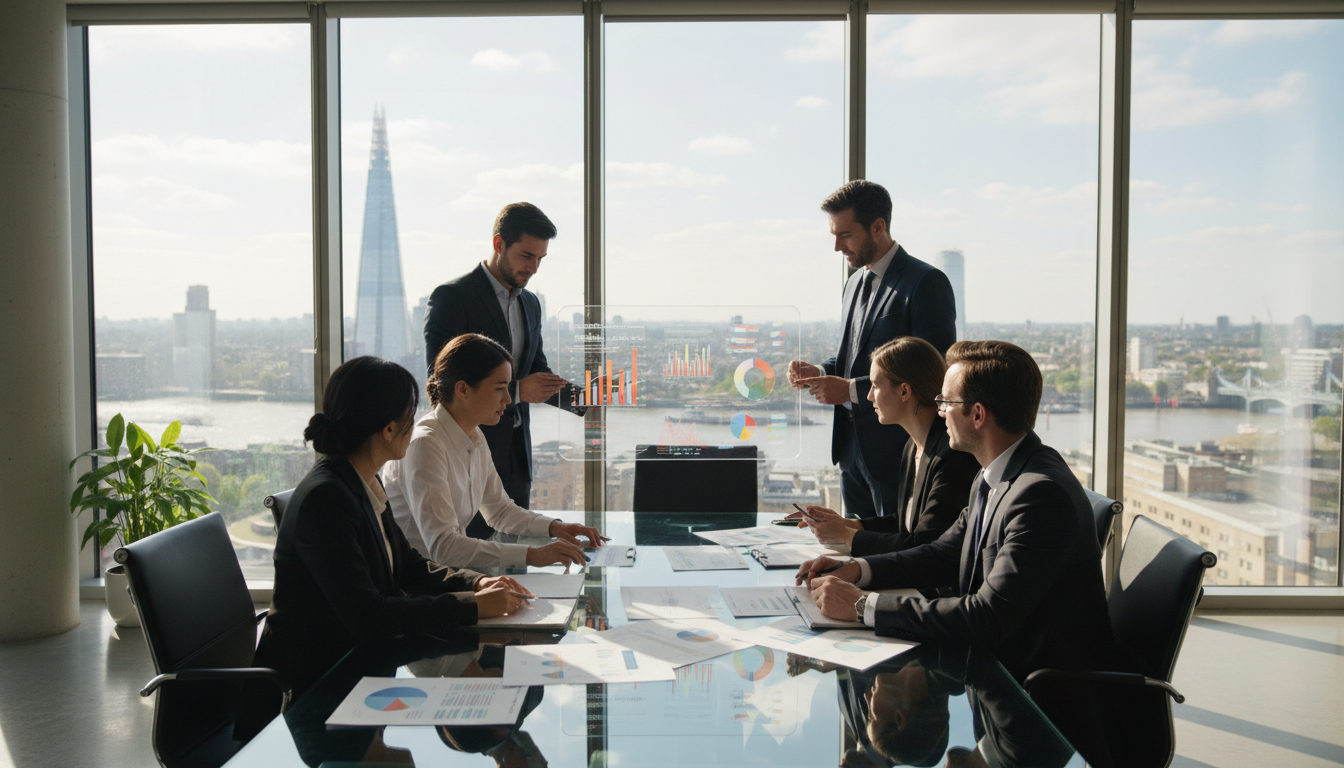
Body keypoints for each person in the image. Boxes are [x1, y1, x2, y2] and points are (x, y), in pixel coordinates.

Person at [795, 340, 1116, 764]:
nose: (939, 409)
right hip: (993, 691)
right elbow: (941, 553)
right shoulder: (999, 474)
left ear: (978, 415)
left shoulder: (1039, 495)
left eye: (946, 401)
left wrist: (863, 608)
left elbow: (986, 617)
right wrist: (857, 569)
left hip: (1038, 710)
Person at [236, 356, 532, 741]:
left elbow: (408, 565)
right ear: (389, 429)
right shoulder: (327, 499)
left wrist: (476, 584)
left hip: (361, 678)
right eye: (412, 415)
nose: (417, 423)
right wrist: (472, 606)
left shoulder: (361, 482)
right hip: (310, 696)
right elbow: (368, 616)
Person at [788, 180, 957, 519]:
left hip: (897, 450)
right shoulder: (853, 282)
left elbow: (935, 371)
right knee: (854, 548)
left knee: (893, 550)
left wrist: (849, 390)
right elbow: (853, 356)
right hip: (850, 450)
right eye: (834, 235)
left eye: (845, 235)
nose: (837, 247)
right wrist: (820, 373)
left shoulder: (925, 282)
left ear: (878, 227)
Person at [383, 333, 604, 570]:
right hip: (415, 588)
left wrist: (556, 527)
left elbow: (499, 511)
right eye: (500, 388)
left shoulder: (474, 435)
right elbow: (443, 547)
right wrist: (531, 555)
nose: (508, 399)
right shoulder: (424, 445)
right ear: (463, 390)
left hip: (448, 577)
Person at [423, 202, 575, 535]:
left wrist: (590, 399)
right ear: (498, 244)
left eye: (540, 259)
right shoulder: (453, 297)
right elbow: (440, 382)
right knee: (470, 553)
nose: (534, 267)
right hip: (468, 449)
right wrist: (518, 391)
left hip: (517, 451)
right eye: (526, 256)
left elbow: (539, 374)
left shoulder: (530, 304)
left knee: (514, 553)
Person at [787, 336, 978, 558]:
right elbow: (904, 523)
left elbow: (925, 543)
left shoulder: (952, 456)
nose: (868, 396)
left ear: (905, 392)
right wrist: (847, 524)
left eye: (875, 386)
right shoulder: (912, 446)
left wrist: (846, 536)